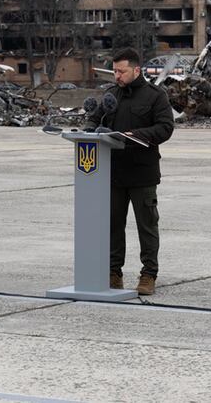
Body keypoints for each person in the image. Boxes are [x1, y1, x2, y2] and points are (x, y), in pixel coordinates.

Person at [84, 48, 174, 296]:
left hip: (142, 173)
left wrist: (135, 136)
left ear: (136, 70)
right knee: (113, 226)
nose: (117, 76)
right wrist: (88, 130)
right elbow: (94, 119)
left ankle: (148, 274)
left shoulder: (155, 96)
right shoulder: (111, 95)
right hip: (113, 173)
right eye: (114, 71)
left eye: (121, 71)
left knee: (147, 226)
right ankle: (113, 272)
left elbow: (165, 128)